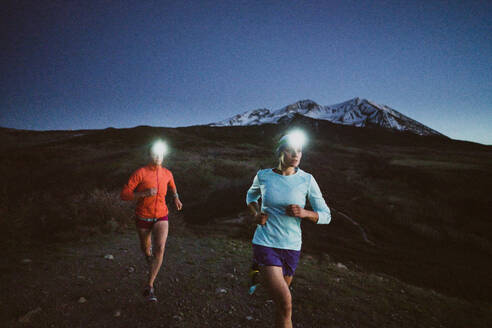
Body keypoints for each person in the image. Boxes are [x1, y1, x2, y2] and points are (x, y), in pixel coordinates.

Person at [246, 131, 331, 328]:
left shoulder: (307, 180)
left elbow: (326, 215)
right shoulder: (263, 176)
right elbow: (250, 197)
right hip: (265, 241)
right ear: (280, 152)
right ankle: (259, 267)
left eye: (299, 151)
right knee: (286, 302)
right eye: (291, 150)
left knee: (280, 306)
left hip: (291, 246)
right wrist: (255, 214)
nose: (296, 155)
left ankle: (256, 272)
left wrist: (305, 213)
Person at [120, 140, 183, 302]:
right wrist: (143, 194)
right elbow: (124, 194)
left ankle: (150, 285)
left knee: (160, 248)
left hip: (162, 216)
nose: (158, 156)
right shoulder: (140, 172)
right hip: (143, 217)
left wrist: (176, 197)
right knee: (145, 248)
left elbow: (172, 185)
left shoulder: (167, 173)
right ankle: (148, 256)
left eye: (161, 154)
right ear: (150, 155)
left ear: (163, 155)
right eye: (155, 153)